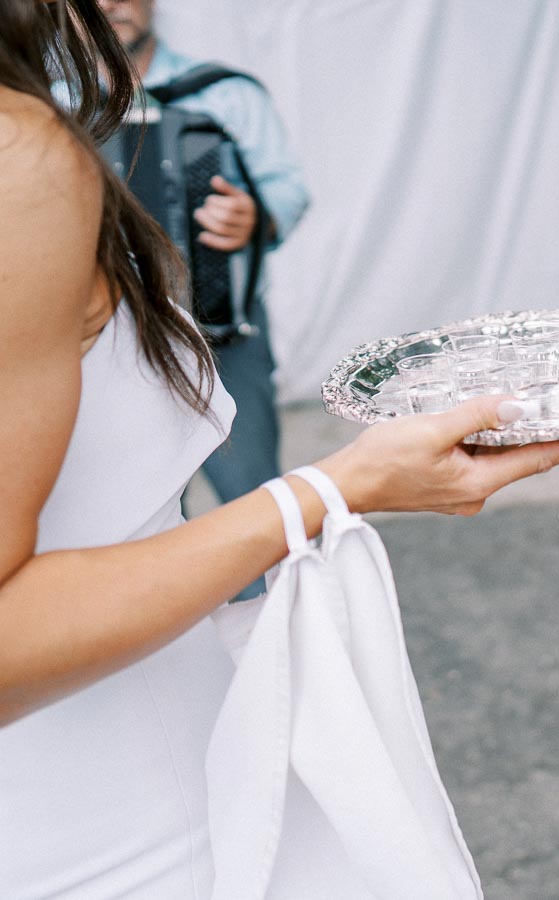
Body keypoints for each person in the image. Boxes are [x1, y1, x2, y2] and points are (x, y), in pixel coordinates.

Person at [0, 1, 559, 894]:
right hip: (110, 805)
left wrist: (254, 218)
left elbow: (283, 191)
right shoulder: (23, 154)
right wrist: (339, 487)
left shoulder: (209, 95)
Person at [97, 0, 309, 599]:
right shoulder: (51, 106)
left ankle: (277, 623)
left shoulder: (225, 93)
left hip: (222, 337)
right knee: (136, 514)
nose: (109, 4)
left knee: (254, 497)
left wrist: (255, 216)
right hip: (103, 349)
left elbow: (288, 190)